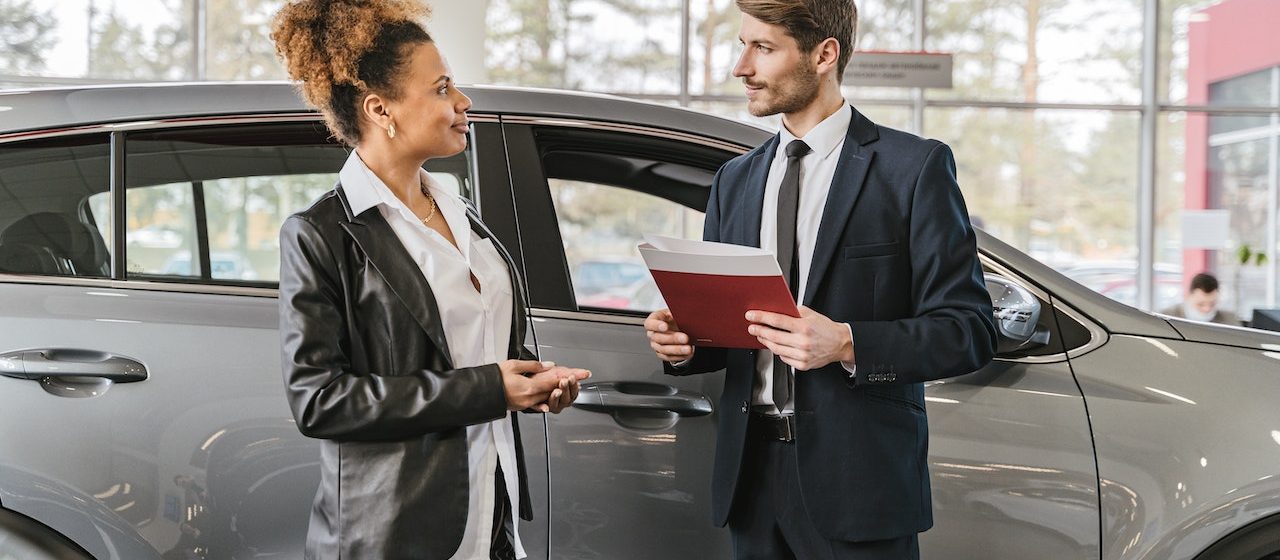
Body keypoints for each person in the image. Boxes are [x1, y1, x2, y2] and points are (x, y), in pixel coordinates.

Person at [644, 1, 997, 558]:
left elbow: (970, 330)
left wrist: (848, 342)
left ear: (824, 54)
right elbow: (731, 335)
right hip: (751, 480)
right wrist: (685, 343)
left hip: (860, 485)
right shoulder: (734, 182)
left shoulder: (913, 169)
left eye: (762, 48)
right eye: (743, 45)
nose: (741, 67)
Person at [272, 1, 589, 559]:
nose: (463, 102)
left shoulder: (459, 213)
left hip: (492, 510)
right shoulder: (321, 234)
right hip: (398, 531)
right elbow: (320, 401)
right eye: (442, 88)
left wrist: (534, 384)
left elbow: (480, 348)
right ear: (380, 109)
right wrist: (491, 388)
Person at [1160, 272, 1241, 325]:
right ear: (1188, 296)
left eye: (1212, 304)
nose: (1207, 309)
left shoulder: (1230, 320)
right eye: (1201, 304)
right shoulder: (1166, 317)